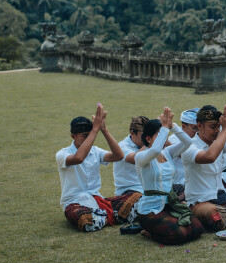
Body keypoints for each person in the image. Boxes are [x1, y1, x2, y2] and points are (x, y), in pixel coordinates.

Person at [56, 104, 141, 232]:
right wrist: (95, 130)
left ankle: (104, 217)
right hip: (75, 203)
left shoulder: (95, 151)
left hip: (98, 200)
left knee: (138, 197)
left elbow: (119, 156)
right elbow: (78, 158)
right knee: (85, 219)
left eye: (91, 135)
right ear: (73, 136)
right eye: (86, 136)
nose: (90, 139)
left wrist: (104, 130)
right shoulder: (62, 154)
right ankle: (112, 216)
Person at [134, 108, 204, 245]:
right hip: (150, 210)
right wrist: (165, 128)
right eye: (159, 136)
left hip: (170, 205)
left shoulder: (167, 153)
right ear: (148, 138)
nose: (164, 140)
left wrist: (173, 126)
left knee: (197, 227)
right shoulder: (141, 157)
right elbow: (154, 150)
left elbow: (188, 142)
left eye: (164, 136)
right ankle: (148, 232)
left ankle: (160, 227)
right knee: (177, 234)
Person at [166, 108, 199, 200]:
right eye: (195, 128)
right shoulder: (173, 139)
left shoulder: (198, 137)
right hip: (179, 183)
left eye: (199, 128)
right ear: (183, 126)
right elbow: (186, 154)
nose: (197, 132)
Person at [114, 116, 149, 196]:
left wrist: (161, 133)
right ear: (132, 133)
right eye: (144, 135)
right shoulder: (122, 146)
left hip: (148, 188)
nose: (147, 138)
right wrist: (150, 143)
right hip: (128, 191)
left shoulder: (148, 144)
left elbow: (177, 155)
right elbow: (134, 159)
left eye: (149, 134)